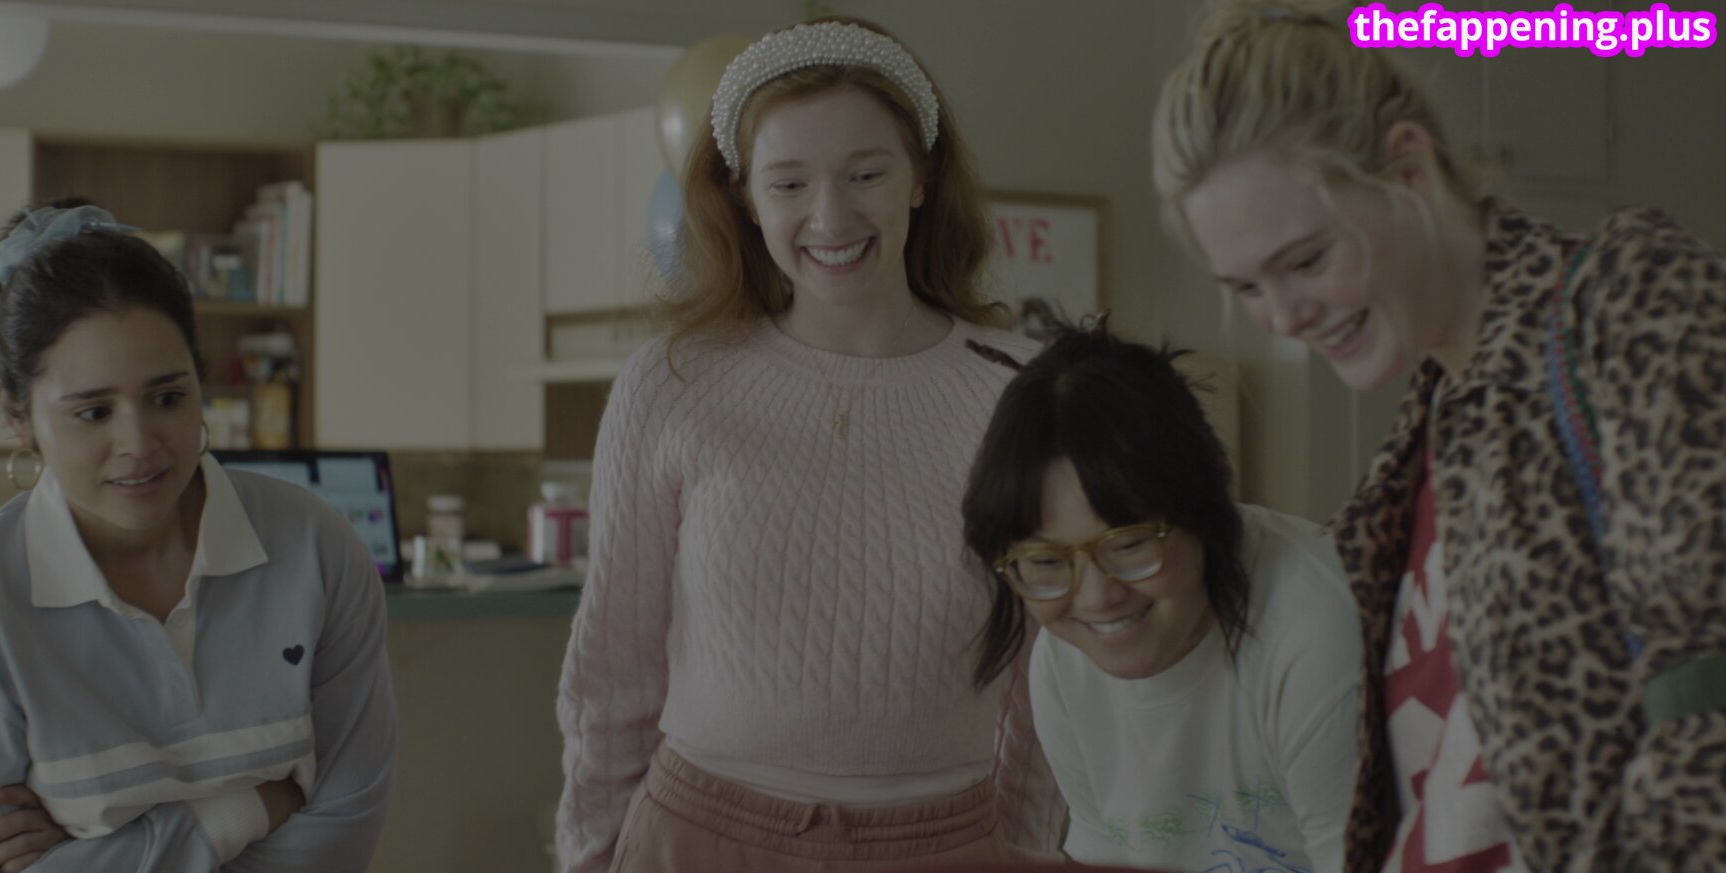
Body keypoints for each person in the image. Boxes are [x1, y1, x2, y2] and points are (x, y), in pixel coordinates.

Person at [1152, 2, 1726, 869]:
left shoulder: (1628, 304)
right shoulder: (1425, 440)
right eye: (1247, 288)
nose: (1284, 317)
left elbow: (1708, 727)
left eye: (1306, 260)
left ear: (1410, 168)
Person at [554, 16, 1063, 873]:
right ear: (745, 197)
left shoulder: (1025, 390)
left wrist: (1019, 849)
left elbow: (1048, 682)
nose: (829, 216)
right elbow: (612, 671)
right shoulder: (671, 382)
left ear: (920, 176)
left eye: (866, 173)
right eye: (788, 182)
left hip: (949, 841)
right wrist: (588, 856)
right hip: (697, 838)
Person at [0, 200, 397, 872]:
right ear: (18, 414)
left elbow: (342, 836)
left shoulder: (316, 551)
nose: (138, 444)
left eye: (167, 398)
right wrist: (242, 811)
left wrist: (94, 857)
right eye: (93, 412)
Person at [964, 323, 1361, 873]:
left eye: (1129, 545)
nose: (1097, 598)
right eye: (1047, 563)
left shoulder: (1316, 637)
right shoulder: (1064, 663)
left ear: (1208, 501)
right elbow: (1103, 853)